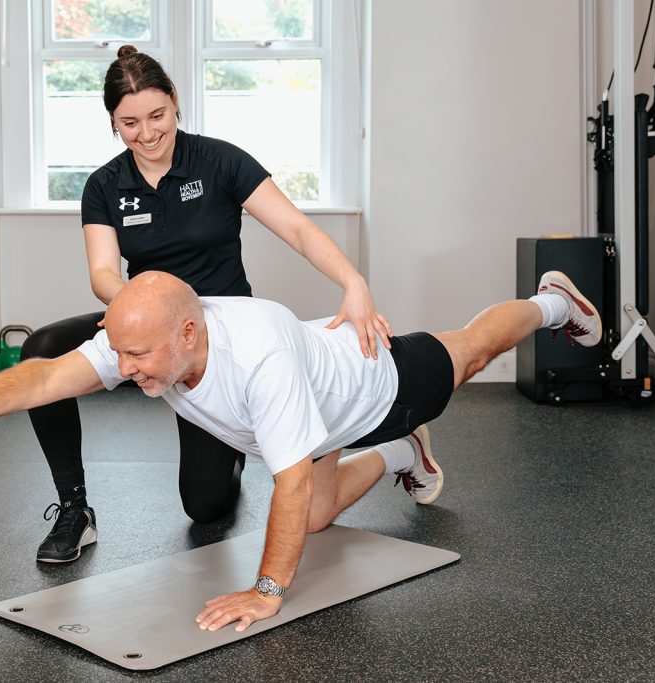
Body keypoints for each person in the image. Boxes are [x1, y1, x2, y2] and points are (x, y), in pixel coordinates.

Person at [0, 268, 601, 634]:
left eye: (139, 356)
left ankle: (553, 303)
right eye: (121, 355)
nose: (127, 369)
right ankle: (403, 455)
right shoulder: (143, 338)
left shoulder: (259, 355)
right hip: (322, 413)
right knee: (312, 525)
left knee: (469, 351)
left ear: (188, 332)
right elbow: (44, 376)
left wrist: (264, 592)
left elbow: (290, 484)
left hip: (378, 380)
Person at [21, 44, 393, 563]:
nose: (147, 133)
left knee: (206, 506)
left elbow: (298, 229)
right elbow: (103, 274)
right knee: (42, 349)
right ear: (112, 121)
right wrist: (144, 307)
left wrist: (353, 282)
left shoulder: (219, 160)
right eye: (129, 123)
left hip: (219, 340)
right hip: (147, 321)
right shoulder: (104, 185)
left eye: (157, 116)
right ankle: (74, 509)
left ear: (176, 102)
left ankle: (234, 449)